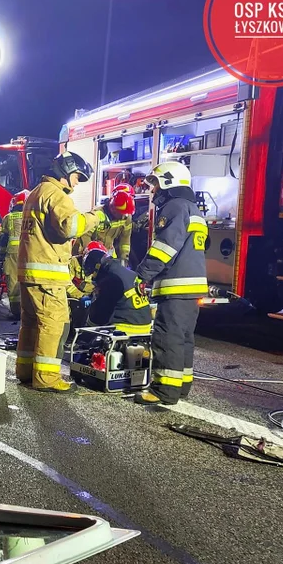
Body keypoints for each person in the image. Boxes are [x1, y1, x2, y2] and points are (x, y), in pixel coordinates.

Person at [16, 151, 113, 391]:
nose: (77, 182)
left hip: (30, 273)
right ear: (65, 172)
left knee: (30, 324)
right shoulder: (56, 195)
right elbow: (70, 227)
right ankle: (46, 378)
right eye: (77, 177)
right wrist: (96, 216)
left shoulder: (36, 193)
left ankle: (26, 371)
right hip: (47, 276)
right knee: (53, 324)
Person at [133, 161, 208, 405]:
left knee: (168, 337)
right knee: (184, 338)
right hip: (193, 286)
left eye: (155, 184)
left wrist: (143, 274)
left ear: (168, 182)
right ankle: (181, 387)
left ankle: (163, 391)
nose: (152, 191)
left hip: (176, 286)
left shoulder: (174, 208)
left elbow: (165, 247)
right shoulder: (193, 209)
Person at [81, 243, 152, 334]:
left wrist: (86, 332)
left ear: (96, 266)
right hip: (145, 326)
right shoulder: (126, 272)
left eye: (92, 273)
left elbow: (99, 315)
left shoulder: (110, 279)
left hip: (125, 328)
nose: (92, 277)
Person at [74, 185, 136, 265]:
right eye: (121, 214)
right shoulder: (98, 215)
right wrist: (90, 255)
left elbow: (125, 239)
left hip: (107, 252)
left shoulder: (126, 216)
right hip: (88, 252)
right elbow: (85, 235)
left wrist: (124, 258)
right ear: (113, 209)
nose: (123, 217)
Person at [0, 189, 27, 320]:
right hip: (30, 253)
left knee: (13, 281)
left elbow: (3, 239)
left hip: (13, 254)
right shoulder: (32, 215)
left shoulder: (8, 218)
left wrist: (1, 255)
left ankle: (16, 312)